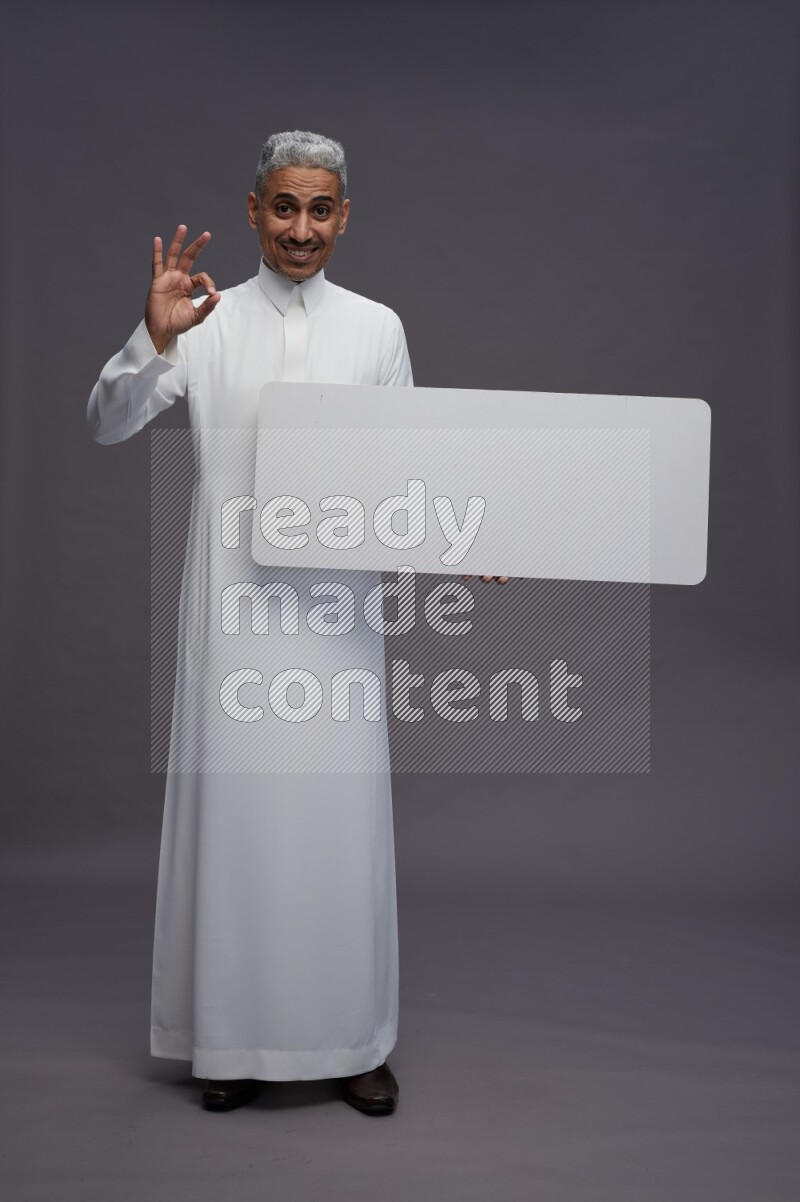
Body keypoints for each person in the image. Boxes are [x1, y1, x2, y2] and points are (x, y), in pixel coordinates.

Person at [87, 130, 418, 1116]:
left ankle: (354, 1038)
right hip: (232, 609)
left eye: (320, 209)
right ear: (253, 209)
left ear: (343, 215)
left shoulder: (377, 327)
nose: (301, 228)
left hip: (338, 612)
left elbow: (415, 466)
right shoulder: (207, 318)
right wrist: (153, 337)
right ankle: (225, 1039)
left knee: (338, 820)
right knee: (234, 818)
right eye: (284, 207)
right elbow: (108, 420)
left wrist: (461, 528)